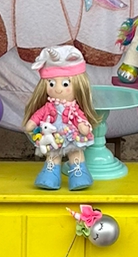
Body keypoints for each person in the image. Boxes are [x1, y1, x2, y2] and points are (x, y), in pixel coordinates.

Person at [23, 44, 95, 191]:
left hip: (71, 135)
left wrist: (83, 126)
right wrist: (31, 123)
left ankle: (79, 173)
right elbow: (38, 115)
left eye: (65, 84)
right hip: (54, 136)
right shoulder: (48, 107)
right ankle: (50, 174)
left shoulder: (73, 108)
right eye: (51, 83)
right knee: (53, 154)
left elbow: (79, 117)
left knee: (75, 152)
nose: (58, 89)